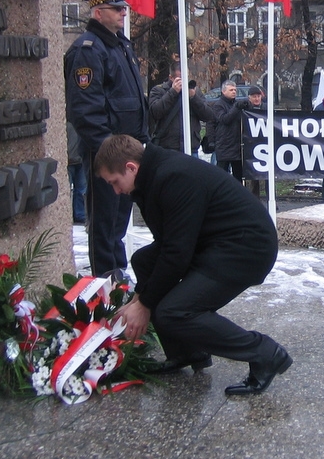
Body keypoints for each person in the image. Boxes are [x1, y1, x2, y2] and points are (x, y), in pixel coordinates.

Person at [96, 134, 292, 395]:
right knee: (143, 261)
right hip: (214, 243)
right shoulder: (150, 177)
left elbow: (177, 253)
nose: (116, 191)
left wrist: (144, 304)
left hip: (246, 248)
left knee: (174, 311)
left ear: (131, 168)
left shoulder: (172, 177)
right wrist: (139, 297)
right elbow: (168, 244)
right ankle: (187, 352)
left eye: (115, 182)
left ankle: (265, 352)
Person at [63, 0, 149, 276]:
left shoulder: (120, 45)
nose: (124, 12)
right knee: (104, 220)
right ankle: (105, 279)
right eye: (117, 8)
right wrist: (108, 149)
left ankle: (118, 273)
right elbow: (85, 110)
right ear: (98, 13)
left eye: (124, 7)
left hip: (126, 150)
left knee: (119, 219)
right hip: (106, 152)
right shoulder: (88, 50)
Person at [148, 62, 215, 158]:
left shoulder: (195, 92)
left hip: (191, 148)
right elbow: (155, 112)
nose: (184, 81)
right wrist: (173, 92)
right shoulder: (159, 91)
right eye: (180, 78)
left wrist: (193, 97)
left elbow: (208, 115)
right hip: (168, 147)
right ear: (171, 78)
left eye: (186, 77)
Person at [213, 80, 250, 183]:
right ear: (224, 91)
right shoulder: (218, 105)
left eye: (235, 90)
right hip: (224, 145)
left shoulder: (237, 104)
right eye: (231, 90)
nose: (234, 92)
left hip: (237, 145)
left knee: (238, 177)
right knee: (221, 176)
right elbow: (225, 119)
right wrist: (236, 108)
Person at [246, 86, 269, 198]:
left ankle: (271, 198)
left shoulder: (267, 108)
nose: (256, 99)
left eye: (258, 96)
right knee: (253, 174)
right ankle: (255, 198)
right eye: (254, 96)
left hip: (266, 144)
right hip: (251, 144)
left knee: (268, 174)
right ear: (249, 98)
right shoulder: (246, 109)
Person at [66, 122, 86, 224]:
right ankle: (73, 214)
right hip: (70, 161)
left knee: (81, 189)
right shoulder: (68, 125)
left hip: (79, 160)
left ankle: (80, 214)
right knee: (68, 190)